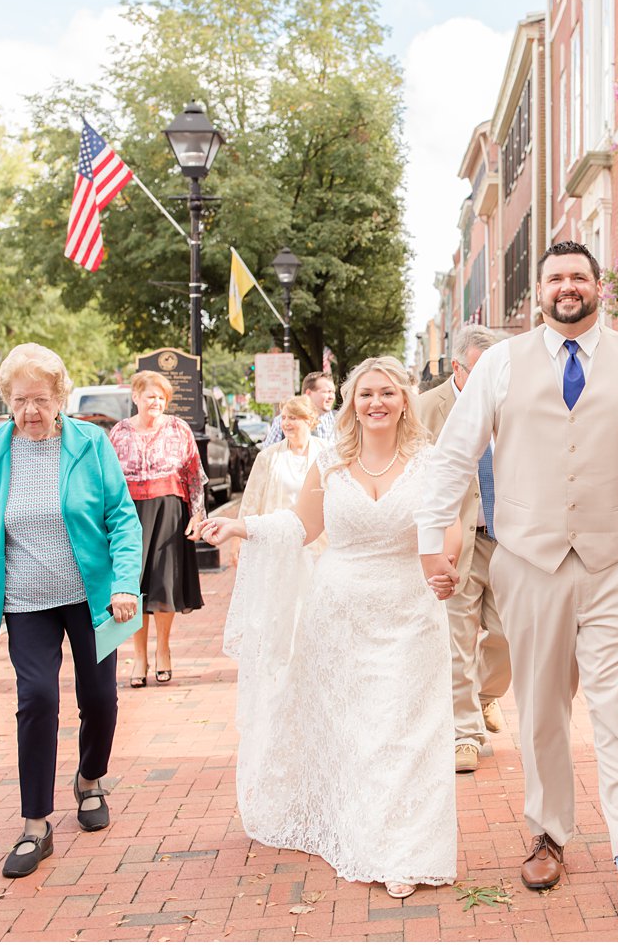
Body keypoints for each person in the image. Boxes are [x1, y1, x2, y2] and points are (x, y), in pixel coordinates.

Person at [416, 240, 618, 910]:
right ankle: (547, 834)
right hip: (530, 561)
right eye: (556, 277)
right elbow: (450, 457)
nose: (567, 285)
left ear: (598, 286)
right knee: (542, 710)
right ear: (541, 290)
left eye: (579, 275)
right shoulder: (499, 365)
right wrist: (428, 542)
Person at [199, 356, 461, 902]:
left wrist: (445, 567)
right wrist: (240, 526)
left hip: (411, 611)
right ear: (351, 403)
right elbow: (302, 524)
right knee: (358, 729)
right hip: (339, 614)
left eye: (387, 393)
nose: (376, 403)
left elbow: (447, 526)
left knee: (403, 730)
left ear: (404, 400)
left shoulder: (430, 461)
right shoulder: (332, 461)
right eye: (365, 394)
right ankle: (359, 827)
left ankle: (404, 849)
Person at [0, 343, 143, 879]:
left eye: (40, 398)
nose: (30, 411)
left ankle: (89, 780)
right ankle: (36, 823)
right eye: (19, 400)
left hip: (93, 596)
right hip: (26, 599)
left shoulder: (91, 443)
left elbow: (122, 518)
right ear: (6, 400)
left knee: (100, 699)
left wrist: (125, 582)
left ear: (60, 396)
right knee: (35, 699)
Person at [416, 325, 512, 774]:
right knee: (457, 639)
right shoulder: (425, 410)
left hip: (509, 540)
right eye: (481, 371)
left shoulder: (513, 401)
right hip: (457, 537)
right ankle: (464, 733)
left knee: (510, 635)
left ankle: (485, 695)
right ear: (457, 367)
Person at [108, 371, 206, 687]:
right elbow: (107, 482)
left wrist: (197, 515)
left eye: (162, 397)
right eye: (151, 396)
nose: (157, 402)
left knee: (164, 585)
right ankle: (139, 656)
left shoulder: (179, 428)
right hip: (130, 514)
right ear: (136, 397)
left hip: (170, 512)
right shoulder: (119, 432)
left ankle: (163, 649)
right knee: (133, 585)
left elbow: (194, 474)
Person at [220, 393, 323, 658]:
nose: (287, 423)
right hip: (278, 544)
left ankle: (309, 659)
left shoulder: (326, 454)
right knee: (279, 608)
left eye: (294, 418)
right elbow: (251, 502)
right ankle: (281, 662)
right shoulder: (269, 457)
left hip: (318, 546)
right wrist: (237, 541)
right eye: (284, 418)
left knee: (312, 607)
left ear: (309, 420)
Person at [262, 372, 337, 448]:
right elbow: (267, 456)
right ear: (308, 393)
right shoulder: (284, 421)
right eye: (327, 392)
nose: (331, 397)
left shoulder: (340, 420)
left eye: (333, 392)